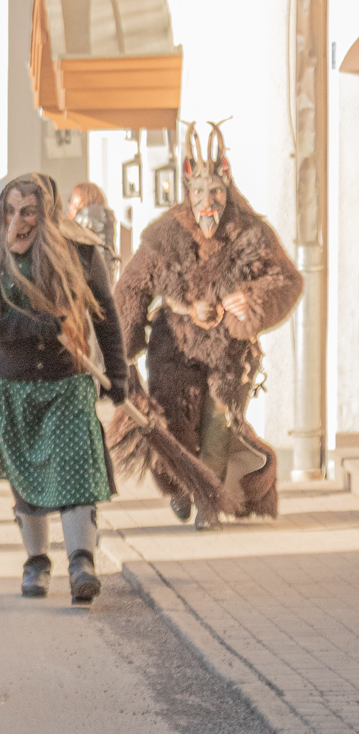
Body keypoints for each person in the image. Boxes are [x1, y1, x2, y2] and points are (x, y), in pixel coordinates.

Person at [114, 126, 301, 526]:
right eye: (199, 192)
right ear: (187, 191)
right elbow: (131, 287)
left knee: (218, 429)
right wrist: (125, 350)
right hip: (174, 351)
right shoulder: (165, 234)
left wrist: (250, 301)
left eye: (215, 191)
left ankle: (208, 503)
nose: (208, 202)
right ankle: (182, 488)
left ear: (228, 186)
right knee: (174, 429)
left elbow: (287, 280)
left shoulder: (250, 231)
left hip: (228, 356)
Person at [0, 172, 126, 604]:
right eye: (10, 211)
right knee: (26, 481)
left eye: (29, 211)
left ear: (47, 215)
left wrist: (121, 375)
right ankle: (36, 563)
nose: (18, 221)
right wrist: (28, 325)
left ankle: (81, 562)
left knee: (76, 471)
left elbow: (106, 314)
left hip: (67, 383)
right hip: (12, 388)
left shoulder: (81, 253)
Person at [68, 181, 118, 271]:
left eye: (75, 196)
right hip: (106, 267)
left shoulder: (88, 216)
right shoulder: (105, 215)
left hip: (91, 270)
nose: (71, 201)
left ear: (84, 197)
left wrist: (72, 217)